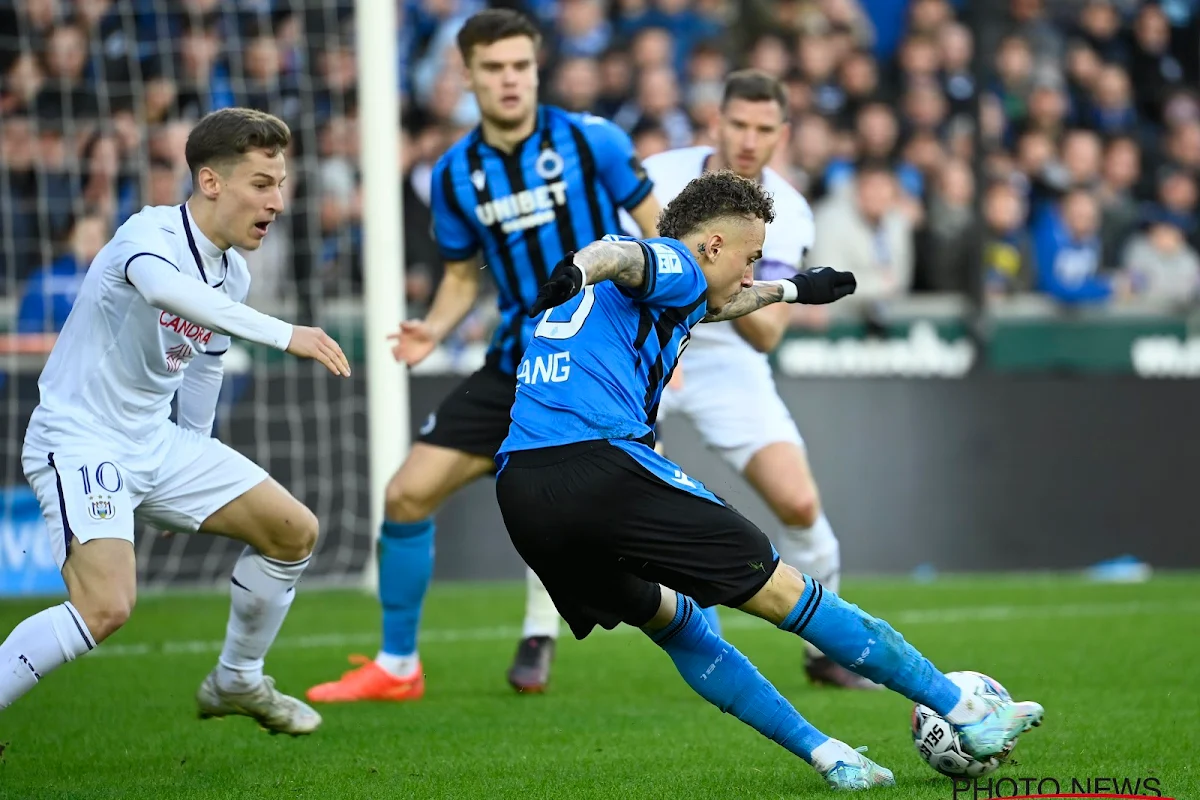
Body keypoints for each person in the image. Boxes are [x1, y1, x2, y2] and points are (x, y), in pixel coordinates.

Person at [495, 170, 1044, 790]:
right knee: (786, 593)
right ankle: (963, 708)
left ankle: (829, 754)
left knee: (679, 625)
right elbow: (625, 256)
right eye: (751, 256)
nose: (751, 271)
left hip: (523, 491)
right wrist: (578, 265)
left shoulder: (672, 289)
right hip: (599, 465)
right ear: (712, 247)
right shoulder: (671, 258)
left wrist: (791, 290)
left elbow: (721, 301)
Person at [306, 8, 661, 703]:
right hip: (513, 363)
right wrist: (434, 329)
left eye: (521, 67)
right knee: (406, 493)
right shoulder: (454, 174)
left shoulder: (595, 142)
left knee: (581, 515)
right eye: (494, 69)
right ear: (466, 76)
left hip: (597, 368)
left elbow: (660, 239)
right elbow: (463, 278)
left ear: (537, 70)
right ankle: (399, 666)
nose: (509, 81)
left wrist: (662, 331)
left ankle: (595, 626)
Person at [515, 69, 875, 691]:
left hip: (726, 363)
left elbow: (764, 335)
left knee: (798, 502)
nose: (748, 138)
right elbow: (628, 264)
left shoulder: (788, 211)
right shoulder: (658, 172)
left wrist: (781, 288)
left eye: (764, 129)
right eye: (738, 123)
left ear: (782, 135)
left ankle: (825, 656)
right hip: (633, 354)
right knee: (584, 477)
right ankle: (537, 633)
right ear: (717, 120)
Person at [1, 108, 351, 734]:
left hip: (157, 443)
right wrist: (285, 334)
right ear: (211, 182)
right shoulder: (148, 236)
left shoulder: (232, 271)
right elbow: (170, 296)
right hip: (81, 438)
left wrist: (187, 464)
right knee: (106, 608)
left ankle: (237, 678)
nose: (278, 201)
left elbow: (204, 366)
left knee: (294, 532)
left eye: (281, 183)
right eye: (262, 184)